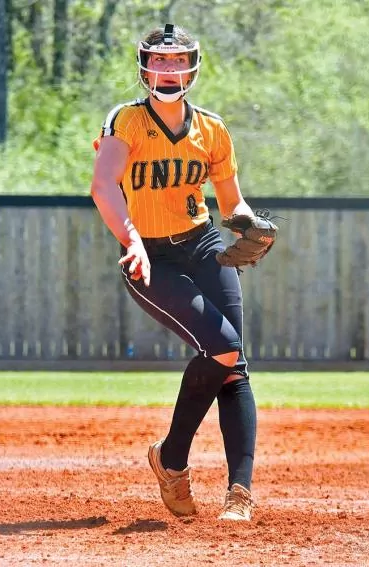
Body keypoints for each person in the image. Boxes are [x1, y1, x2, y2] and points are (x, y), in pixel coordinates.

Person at [90, 23, 260, 521]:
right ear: (145, 68)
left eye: (178, 60)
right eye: (159, 60)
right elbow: (104, 186)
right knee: (223, 347)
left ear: (193, 67)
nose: (168, 69)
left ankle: (238, 492)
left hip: (203, 245)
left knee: (233, 362)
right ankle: (172, 459)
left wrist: (251, 226)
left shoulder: (211, 128)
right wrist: (132, 240)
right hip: (148, 255)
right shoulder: (126, 120)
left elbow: (231, 203)